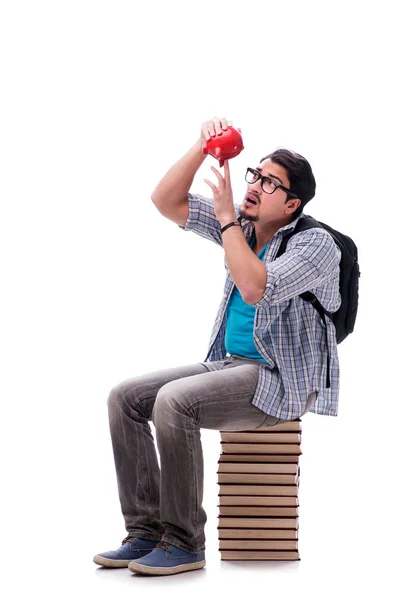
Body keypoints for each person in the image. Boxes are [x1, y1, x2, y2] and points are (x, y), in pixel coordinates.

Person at [93, 117, 341, 576]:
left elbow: (254, 287)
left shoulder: (316, 245)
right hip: (229, 365)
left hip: (280, 381)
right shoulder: (242, 229)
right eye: (256, 174)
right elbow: (165, 201)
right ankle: (146, 531)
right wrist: (201, 146)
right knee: (125, 397)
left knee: (174, 401)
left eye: (271, 183)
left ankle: (185, 542)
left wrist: (227, 217)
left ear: (291, 204)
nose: (256, 184)